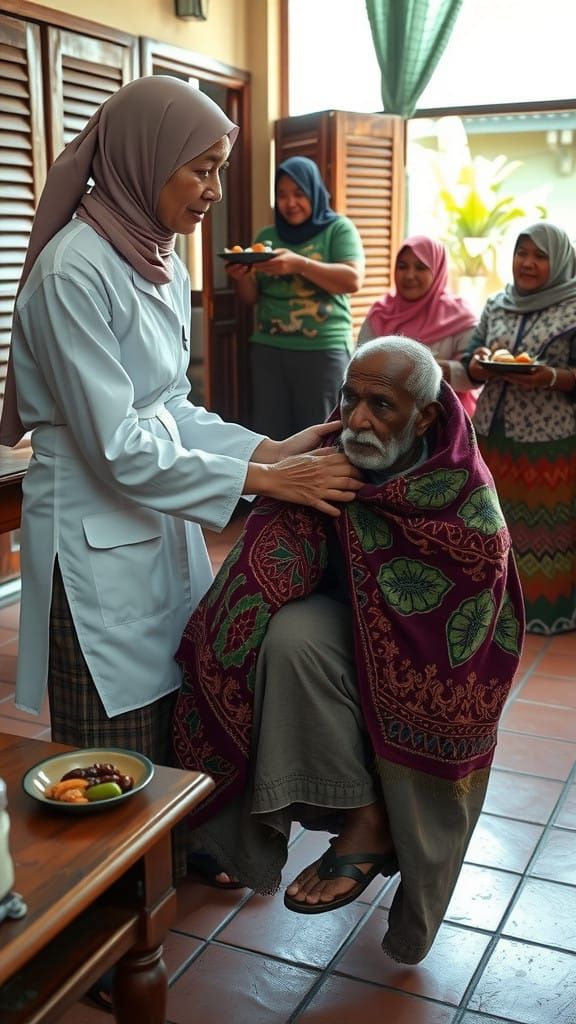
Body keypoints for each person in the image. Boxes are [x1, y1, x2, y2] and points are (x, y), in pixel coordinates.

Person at [0, 76, 364, 769]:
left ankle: (172, 863)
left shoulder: (151, 254)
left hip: (153, 527)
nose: (215, 191)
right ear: (145, 158)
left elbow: (168, 403)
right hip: (93, 543)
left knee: (179, 713)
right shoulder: (72, 274)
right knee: (112, 751)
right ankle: (115, 881)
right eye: (202, 170)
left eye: (219, 171)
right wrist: (265, 480)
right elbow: (118, 446)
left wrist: (270, 450)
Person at [173, 337, 525, 965]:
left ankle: (397, 844)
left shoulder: (462, 492)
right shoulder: (333, 462)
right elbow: (267, 563)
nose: (358, 420)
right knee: (286, 637)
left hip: (435, 673)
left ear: (423, 417)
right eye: (351, 399)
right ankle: (363, 816)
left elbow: (472, 625)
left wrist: (386, 650)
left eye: (381, 406)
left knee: (359, 671)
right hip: (345, 642)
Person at [463, 221, 576, 635]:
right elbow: (472, 357)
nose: (527, 263)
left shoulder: (573, 305)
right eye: (521, 253)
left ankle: (545, 611)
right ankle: (495, 608)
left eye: (540, 256)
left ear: (559, 260)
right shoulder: (497, 303)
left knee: (544, 527)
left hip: (549, 439)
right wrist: (476, 362)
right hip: (492, 433)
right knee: (493, 522)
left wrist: (549, 377)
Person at [225, 155, 365, 437]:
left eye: (299, 193)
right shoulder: (267, 235)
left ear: (314, 192)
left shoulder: (338, 229)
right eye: (282, 195)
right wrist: (242, 277)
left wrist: (300, 264)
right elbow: (251, 298)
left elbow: (352, 280)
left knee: (322, 434)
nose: (290, 203)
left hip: (322, 350)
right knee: (271, 432)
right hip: (269, 348)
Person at [358, 235, 479, 416]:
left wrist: (410, 368)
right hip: (383, 417)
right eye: (402, 267)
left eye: (421, 267)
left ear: (437, 270)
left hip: (446, 418)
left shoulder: (459, 315)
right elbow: (360, 365)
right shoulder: (381, 313)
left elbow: (470, 376)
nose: (409, 275)